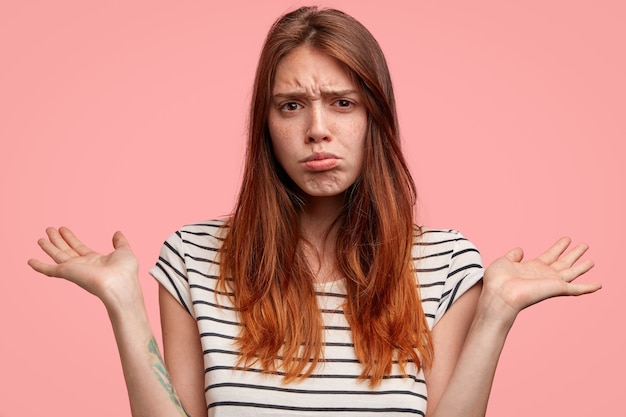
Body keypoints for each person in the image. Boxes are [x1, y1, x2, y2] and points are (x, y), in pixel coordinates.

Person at [27, 6, 601, 417]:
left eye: (343, 103)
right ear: (266, 124)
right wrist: (124, 303)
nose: (317, 130)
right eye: (292, 105)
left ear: (375, 118)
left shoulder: (446, 261)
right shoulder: (191, 257)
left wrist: (497, 312)